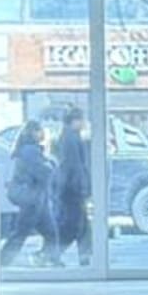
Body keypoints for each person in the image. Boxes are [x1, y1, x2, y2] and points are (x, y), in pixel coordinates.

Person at [0, 120, 55, 263]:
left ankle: (50, 259)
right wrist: (52, 165)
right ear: (33, 132)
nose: (43, 134)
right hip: (33, 198)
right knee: (21, 233)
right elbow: (42, 172)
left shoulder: (31, 149)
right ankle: (2, 261)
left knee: (51, 233)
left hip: (37, 198)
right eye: (40, 130)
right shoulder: (30, 150)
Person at [50, 108, 94, 262]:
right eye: (81, 119)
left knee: (82, 225)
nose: (83, 123)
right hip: (71, 188)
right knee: (74, 225)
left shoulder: (70, 136)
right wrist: (81, 187)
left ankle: (85, 256)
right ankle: (52, 254)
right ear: (74, 121)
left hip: (70, 187)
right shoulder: (70, 138)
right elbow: (73, 165)